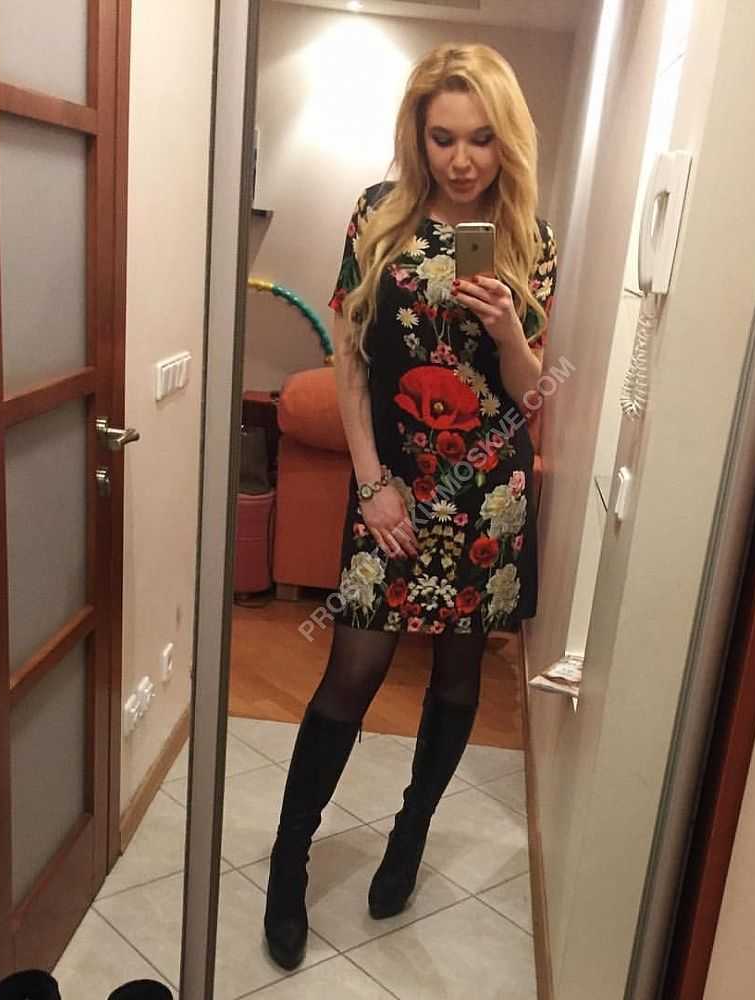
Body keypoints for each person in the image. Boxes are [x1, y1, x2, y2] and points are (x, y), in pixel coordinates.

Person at [263, 42, 559, 970]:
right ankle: (287, 861)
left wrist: (508, 329)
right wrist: (371, 482)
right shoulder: (376, 215)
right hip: (389, 487)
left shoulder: (529, 238)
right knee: (348, 675)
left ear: (506, 140)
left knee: (459, 679)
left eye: (481, 138)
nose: (462, 160)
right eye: (443, 138)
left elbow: (529, 392)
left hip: (486, 498)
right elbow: (349, 358)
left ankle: (410, 835)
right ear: (417, 136)